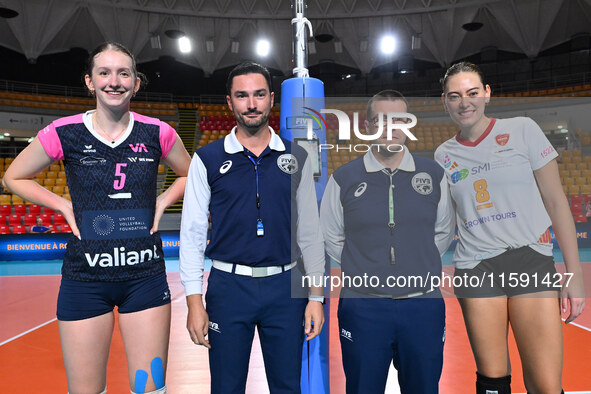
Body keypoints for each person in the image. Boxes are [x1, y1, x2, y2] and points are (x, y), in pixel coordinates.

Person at [2, 42, 191, 394]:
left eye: (124, 73)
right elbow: (13, 176)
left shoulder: (158, 132)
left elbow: (189, 174)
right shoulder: (64, 131)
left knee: (150, 390)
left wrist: (163, 201)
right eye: (104, 73)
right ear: (90, 82)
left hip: (144, 277)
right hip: (85, 279)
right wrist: (64, 205)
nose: (114, 81)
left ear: (136, 83)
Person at [434, 61, 586, 394]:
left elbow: (557, 203)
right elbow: (443, 226)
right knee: (492, 383)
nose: (465, 102)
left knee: (545, 385)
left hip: (529, 261)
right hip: (476, 267)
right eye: (455, 96)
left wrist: (573, 278)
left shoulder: (523, 129)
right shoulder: (443, 156)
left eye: (473, 93)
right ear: (444, 102)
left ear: (487, 94)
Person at [180, 62, 325, 393]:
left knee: (288, 386)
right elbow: (192, 235)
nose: (251, 104)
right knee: (227, 386)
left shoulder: (297, 157)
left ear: (272, 99)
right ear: (229, 102)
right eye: (242, 96)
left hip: (286, 288)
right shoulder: (207, 158)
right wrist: (194, 301)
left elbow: (311, 235)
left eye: (259, 95)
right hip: (228, 289)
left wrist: (316, 295)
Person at [320, 90, 455, 393]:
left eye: (397, 122)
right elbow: (331, 236)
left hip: (422, 305)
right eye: (380, 121)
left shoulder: (434, 175)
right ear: (367, 127)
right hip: (363, 306)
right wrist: (365, 266)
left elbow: (444, 230)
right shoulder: (343, 178)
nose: (389, 129)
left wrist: (415, 259)